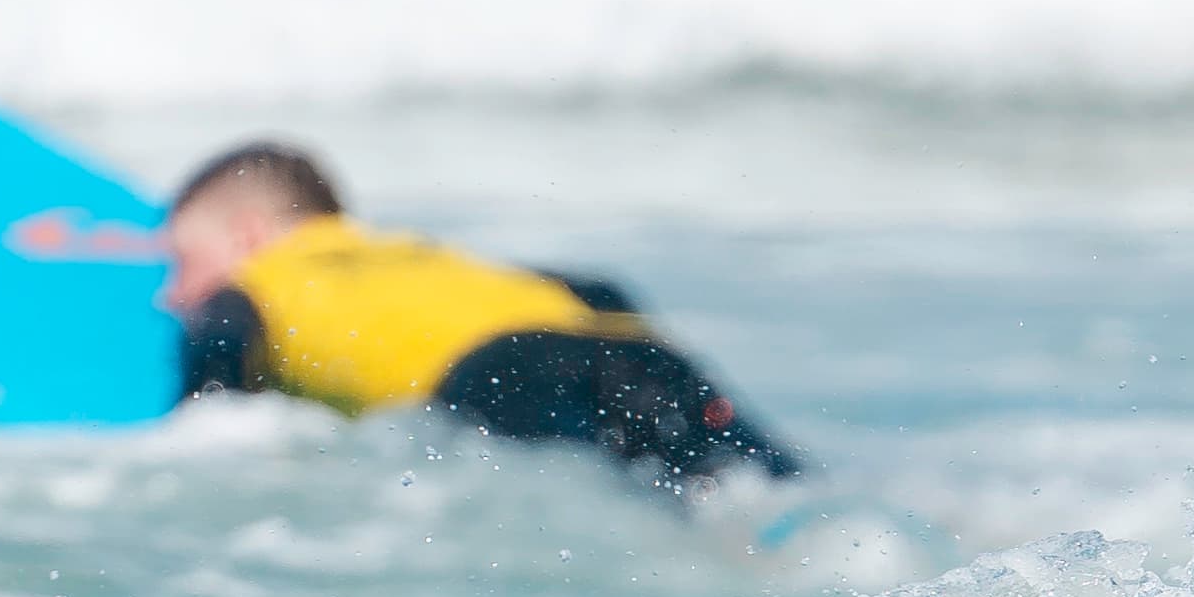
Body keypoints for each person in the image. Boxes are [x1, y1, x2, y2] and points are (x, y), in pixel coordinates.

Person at [144, 142, 799, 493]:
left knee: (656, 501)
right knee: (757, 487)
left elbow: (225, 339)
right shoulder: (418, 253)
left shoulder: (261, 281)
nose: (173, 295)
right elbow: (599, 290)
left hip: (504, 373)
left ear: (249, 237)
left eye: (184, 263)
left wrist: (196, 431)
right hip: (631, 350)